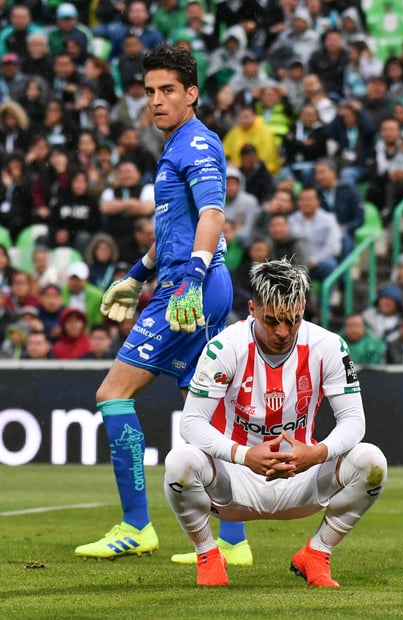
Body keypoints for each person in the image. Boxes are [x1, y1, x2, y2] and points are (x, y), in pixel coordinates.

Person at [74, 43, 237, 561]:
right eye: (149, 92)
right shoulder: (181, 145)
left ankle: (137, 524)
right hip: (194, 281)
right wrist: (136, 274)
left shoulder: (195, 145)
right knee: (206, 415)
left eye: (168, 90)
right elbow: (176, 227)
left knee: (112, 392)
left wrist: (189, 278)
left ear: (192, 93)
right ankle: (233, 541)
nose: (157, 101)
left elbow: (213, 215)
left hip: (190, 287)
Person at [164, 259, 387, 587]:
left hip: (303, 475)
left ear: (304, 309)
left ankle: (317, 553)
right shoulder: (225, 347)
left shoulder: (329, 346)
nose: (282, 332)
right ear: (252, 309)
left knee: (372, 462)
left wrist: (317, 454)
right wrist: (244, 456)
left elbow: (354, 421)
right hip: (234, 481)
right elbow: (191, 423)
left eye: (292, 320)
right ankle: (208, 556)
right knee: (178, 462)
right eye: (271, 321)